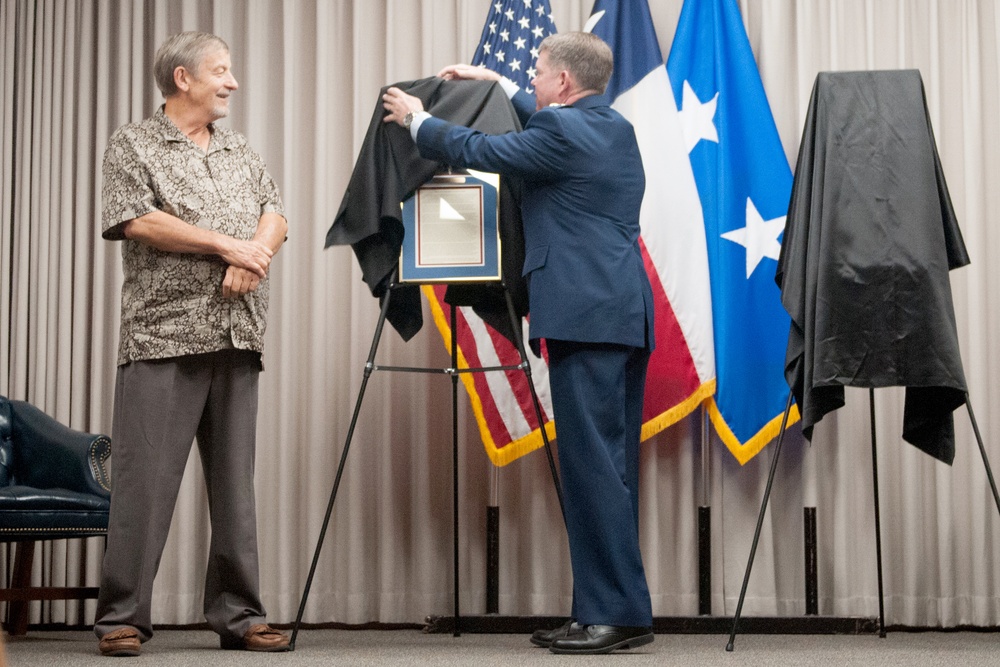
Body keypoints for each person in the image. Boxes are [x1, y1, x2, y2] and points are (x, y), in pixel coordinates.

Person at [383, 32, 655, 655]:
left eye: (536, 72)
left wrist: (419, 120)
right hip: (618, 312)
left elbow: (487, 147)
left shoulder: (562, 133)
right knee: (604, 470)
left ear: (563, 83)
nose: (531, 79)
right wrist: (496, 81)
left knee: (593, 471)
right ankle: (602, 610)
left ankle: (616, 613)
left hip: (587, 316)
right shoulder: (611, 127)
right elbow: (541, 125)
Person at [94, 31, 289, 657]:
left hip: (239, 333)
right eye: (221, 71)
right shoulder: (133, 144)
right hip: (163, 336)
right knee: (143, 485)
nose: (232, 82)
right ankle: (121, 617)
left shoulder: (239, 148)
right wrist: (224, 244)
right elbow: (136, 220)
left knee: (236, 488)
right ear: (183, 79)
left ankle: (240, 615)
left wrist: (255, 252)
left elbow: (275, 211)